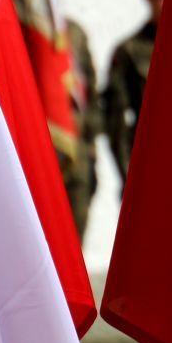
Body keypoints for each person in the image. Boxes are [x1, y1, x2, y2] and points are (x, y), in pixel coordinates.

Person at [103, 0, 169, 343]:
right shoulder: (130, 51)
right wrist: (130, 173)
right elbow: (115, 121)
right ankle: (149, 342)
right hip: (149, 174)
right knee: (148, 263)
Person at [61, 17, 101, 242]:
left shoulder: (74, 32)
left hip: (79, 150)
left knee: (75, 238)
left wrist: (92, 149)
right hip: (41, 150)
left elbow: (91, 91)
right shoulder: (23, 27)